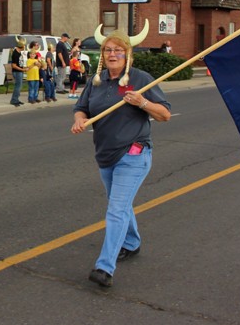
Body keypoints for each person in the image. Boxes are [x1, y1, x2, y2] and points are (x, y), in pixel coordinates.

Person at [71, 23, 171, 288]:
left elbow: (165, 115)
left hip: (134, 154)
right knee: (121, 204)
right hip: (105, 155)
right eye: (107, 50)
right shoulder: (96, 81)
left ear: (128, 55)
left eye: (118, 50)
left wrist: (143, 103)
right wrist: (80, 120)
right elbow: (81, 108)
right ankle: (132, 242)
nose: (112, 54)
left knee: (115, 209)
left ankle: (105, 267)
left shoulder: (141, 79)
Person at [9, 37, 28, 107]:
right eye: (24, 46)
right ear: (21, 46)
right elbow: (13, 65)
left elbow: (20, 63)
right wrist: (22, 69)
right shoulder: (15, 54)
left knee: (19, 86)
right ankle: (14, 100)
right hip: (17, 72)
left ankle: (16, 99)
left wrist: (24, 68)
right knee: (18, 86)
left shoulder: (19, 53)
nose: (24, 47)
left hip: (20, 71)